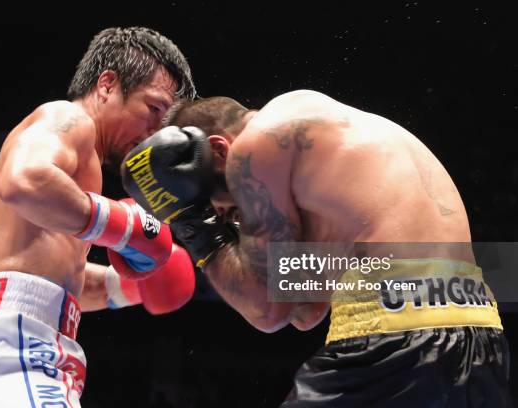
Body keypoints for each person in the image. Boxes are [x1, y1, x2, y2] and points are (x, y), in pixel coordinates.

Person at [121, 91, 512, 406]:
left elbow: (267, 311)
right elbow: (305, 312)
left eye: (226, 209)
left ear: (220, 151)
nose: (235, 220)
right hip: (481, 341)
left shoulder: (255, 148)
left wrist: (193, 223)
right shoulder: (327, 141)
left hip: (397, 342)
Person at [0, 27, 197, 408]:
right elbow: (22, 180)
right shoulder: (68, 118)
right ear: (107, 85)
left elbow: (39, 284)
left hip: (0, 354)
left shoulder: (77, 179)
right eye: (153, 109)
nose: (155, 131)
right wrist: (123, 226)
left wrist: (131, 287)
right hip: (11, 353)